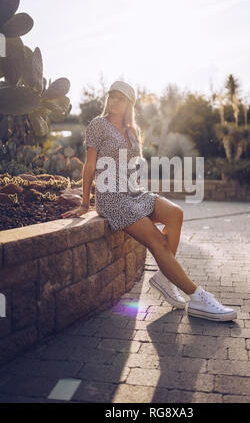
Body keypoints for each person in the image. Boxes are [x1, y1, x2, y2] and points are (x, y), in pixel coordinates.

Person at [61, 80, 237, 321]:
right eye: (112, 96)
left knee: (175, 213)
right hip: (112, 198)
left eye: (120, 98)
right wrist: (84, 203)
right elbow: (90, 166)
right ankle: (198, 297)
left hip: (134, 192)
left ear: (129, 104)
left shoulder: (134, 131)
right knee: (158, 243)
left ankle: (165, 278)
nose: (114, 101)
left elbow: (134, 167)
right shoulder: (98, 125)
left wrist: (142, 193)